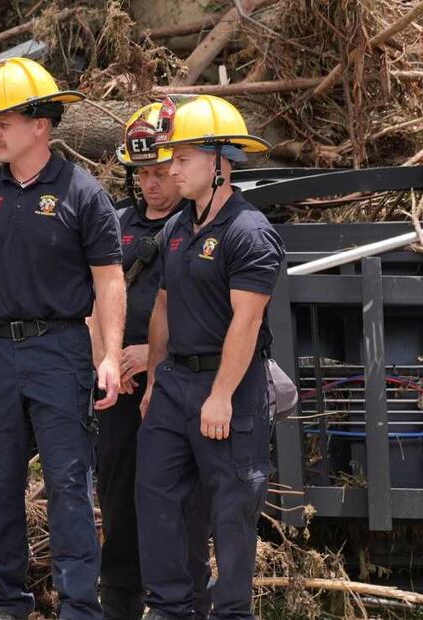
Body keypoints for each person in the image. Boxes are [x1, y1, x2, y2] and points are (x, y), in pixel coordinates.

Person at [0, 57, 126, 620]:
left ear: (40, 126)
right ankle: (9, 602)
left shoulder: (81, 193)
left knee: (68, 484)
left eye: (4, 121)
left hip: (58, 352)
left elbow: (109, 280)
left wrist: (110, 356)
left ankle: (78, 608)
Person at [135, 95, 285, 620]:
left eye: (182, 160)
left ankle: (232, 613)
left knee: (231, 512)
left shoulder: (249, 232)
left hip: (229, 390)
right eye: (171, 159)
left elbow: (247, 323)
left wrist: (221, 396)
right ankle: (172, 609)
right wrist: (155, 380)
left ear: (220, 164)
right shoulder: (178, 228)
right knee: (158, 503)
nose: (171, 170)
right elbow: (162, 308)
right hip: (173, 386)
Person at [91, 103, 211, 620]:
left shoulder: (204, 225)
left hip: (181, 385)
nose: (152, 183)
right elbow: (89, 302)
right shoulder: (112, 223)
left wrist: (153, 355)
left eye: (161, 171)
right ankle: (119, 602)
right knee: (119, 502)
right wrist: (110, 362)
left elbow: (216, 310)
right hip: (120, 391)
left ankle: (185, 605)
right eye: (142, 173)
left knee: (184, 506)